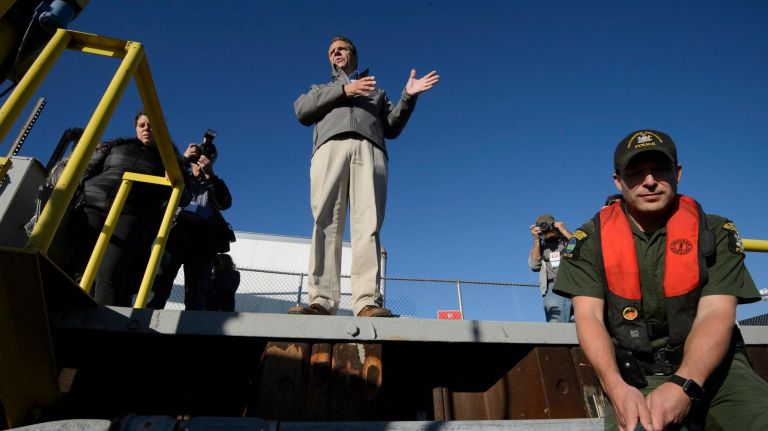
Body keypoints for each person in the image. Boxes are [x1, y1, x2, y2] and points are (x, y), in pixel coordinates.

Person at [554, 129, 768, 430]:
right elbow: (589, 316)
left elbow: (716, 312)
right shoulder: (589, 241)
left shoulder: (716, 232)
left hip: (720, 371)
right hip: (636, 377)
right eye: (636, 173)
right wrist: (615, 387)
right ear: (618, 181)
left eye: (660, 170)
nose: (650, 181)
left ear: (677, 173)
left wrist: (684, 383)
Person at [290, 35, 439, 317]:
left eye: (341, 49)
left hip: (370, 150)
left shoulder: (376, 91)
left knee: (367, 223)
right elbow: (302, 111)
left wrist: (409, 96)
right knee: (325, 222)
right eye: (332, 51)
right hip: (329, 149)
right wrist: (344, 90)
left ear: (354, 55)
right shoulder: (320, 89)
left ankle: (367, 300)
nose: (336, 53)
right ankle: (321, 300)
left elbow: (391, 127)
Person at [70, 111, 183, 306]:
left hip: (132, 212)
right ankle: (71, 312)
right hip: (93, 204)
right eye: (142, 125)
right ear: (136, 128)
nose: (146, 129)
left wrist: (172, 179)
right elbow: (89, 169)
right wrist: (86, 187)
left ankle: (102, 319)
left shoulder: (170, 159)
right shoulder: (116, 146)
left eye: (152, 125)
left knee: (109, 270)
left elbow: (184, 196)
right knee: (81, 264)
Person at [147, 141, 232, 311]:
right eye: (198, 156)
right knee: (157, 285)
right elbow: (164, 180)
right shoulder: (179, 175)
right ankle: (146, 319)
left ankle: (192, 323)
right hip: (173, 235)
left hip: (203, 241)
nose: (200, 161)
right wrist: (184, 159)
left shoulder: (213, 183)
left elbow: (225, 203)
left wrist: (210, 175)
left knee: (197, 294)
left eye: (207, 158)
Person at [528, 214, 573, 322]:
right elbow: (534, 265)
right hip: (554, 288)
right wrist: (536, 239)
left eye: (548, 225)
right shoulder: (539, 248)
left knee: (586, 324)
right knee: (557, 325)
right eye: (542, 226)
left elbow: (583, 248)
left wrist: (564, 230)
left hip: (575, 284)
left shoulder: (567, 242)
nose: (546, 229)